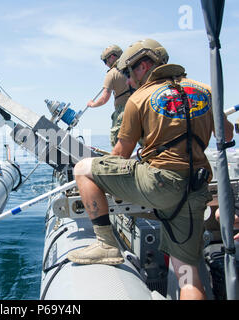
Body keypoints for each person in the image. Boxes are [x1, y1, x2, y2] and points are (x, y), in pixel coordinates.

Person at [68, 39, 234, 300]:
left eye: (128, 72)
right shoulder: (206, 90)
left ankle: (106, 245)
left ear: (144, 66)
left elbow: (120, 155)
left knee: (82, 169)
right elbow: (226, 134)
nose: (128, 80)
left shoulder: (138, 99)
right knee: (188, 278)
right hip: (195, 190)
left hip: (157, 185)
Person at [87, 45, 132, 147]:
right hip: (140, 107)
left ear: (112, 57)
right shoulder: (134, 69)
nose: (106, 64)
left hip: (124, 112)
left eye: (105, 61)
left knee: (117, 144)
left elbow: (104, 99)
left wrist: (92, 104)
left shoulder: (112, 73)